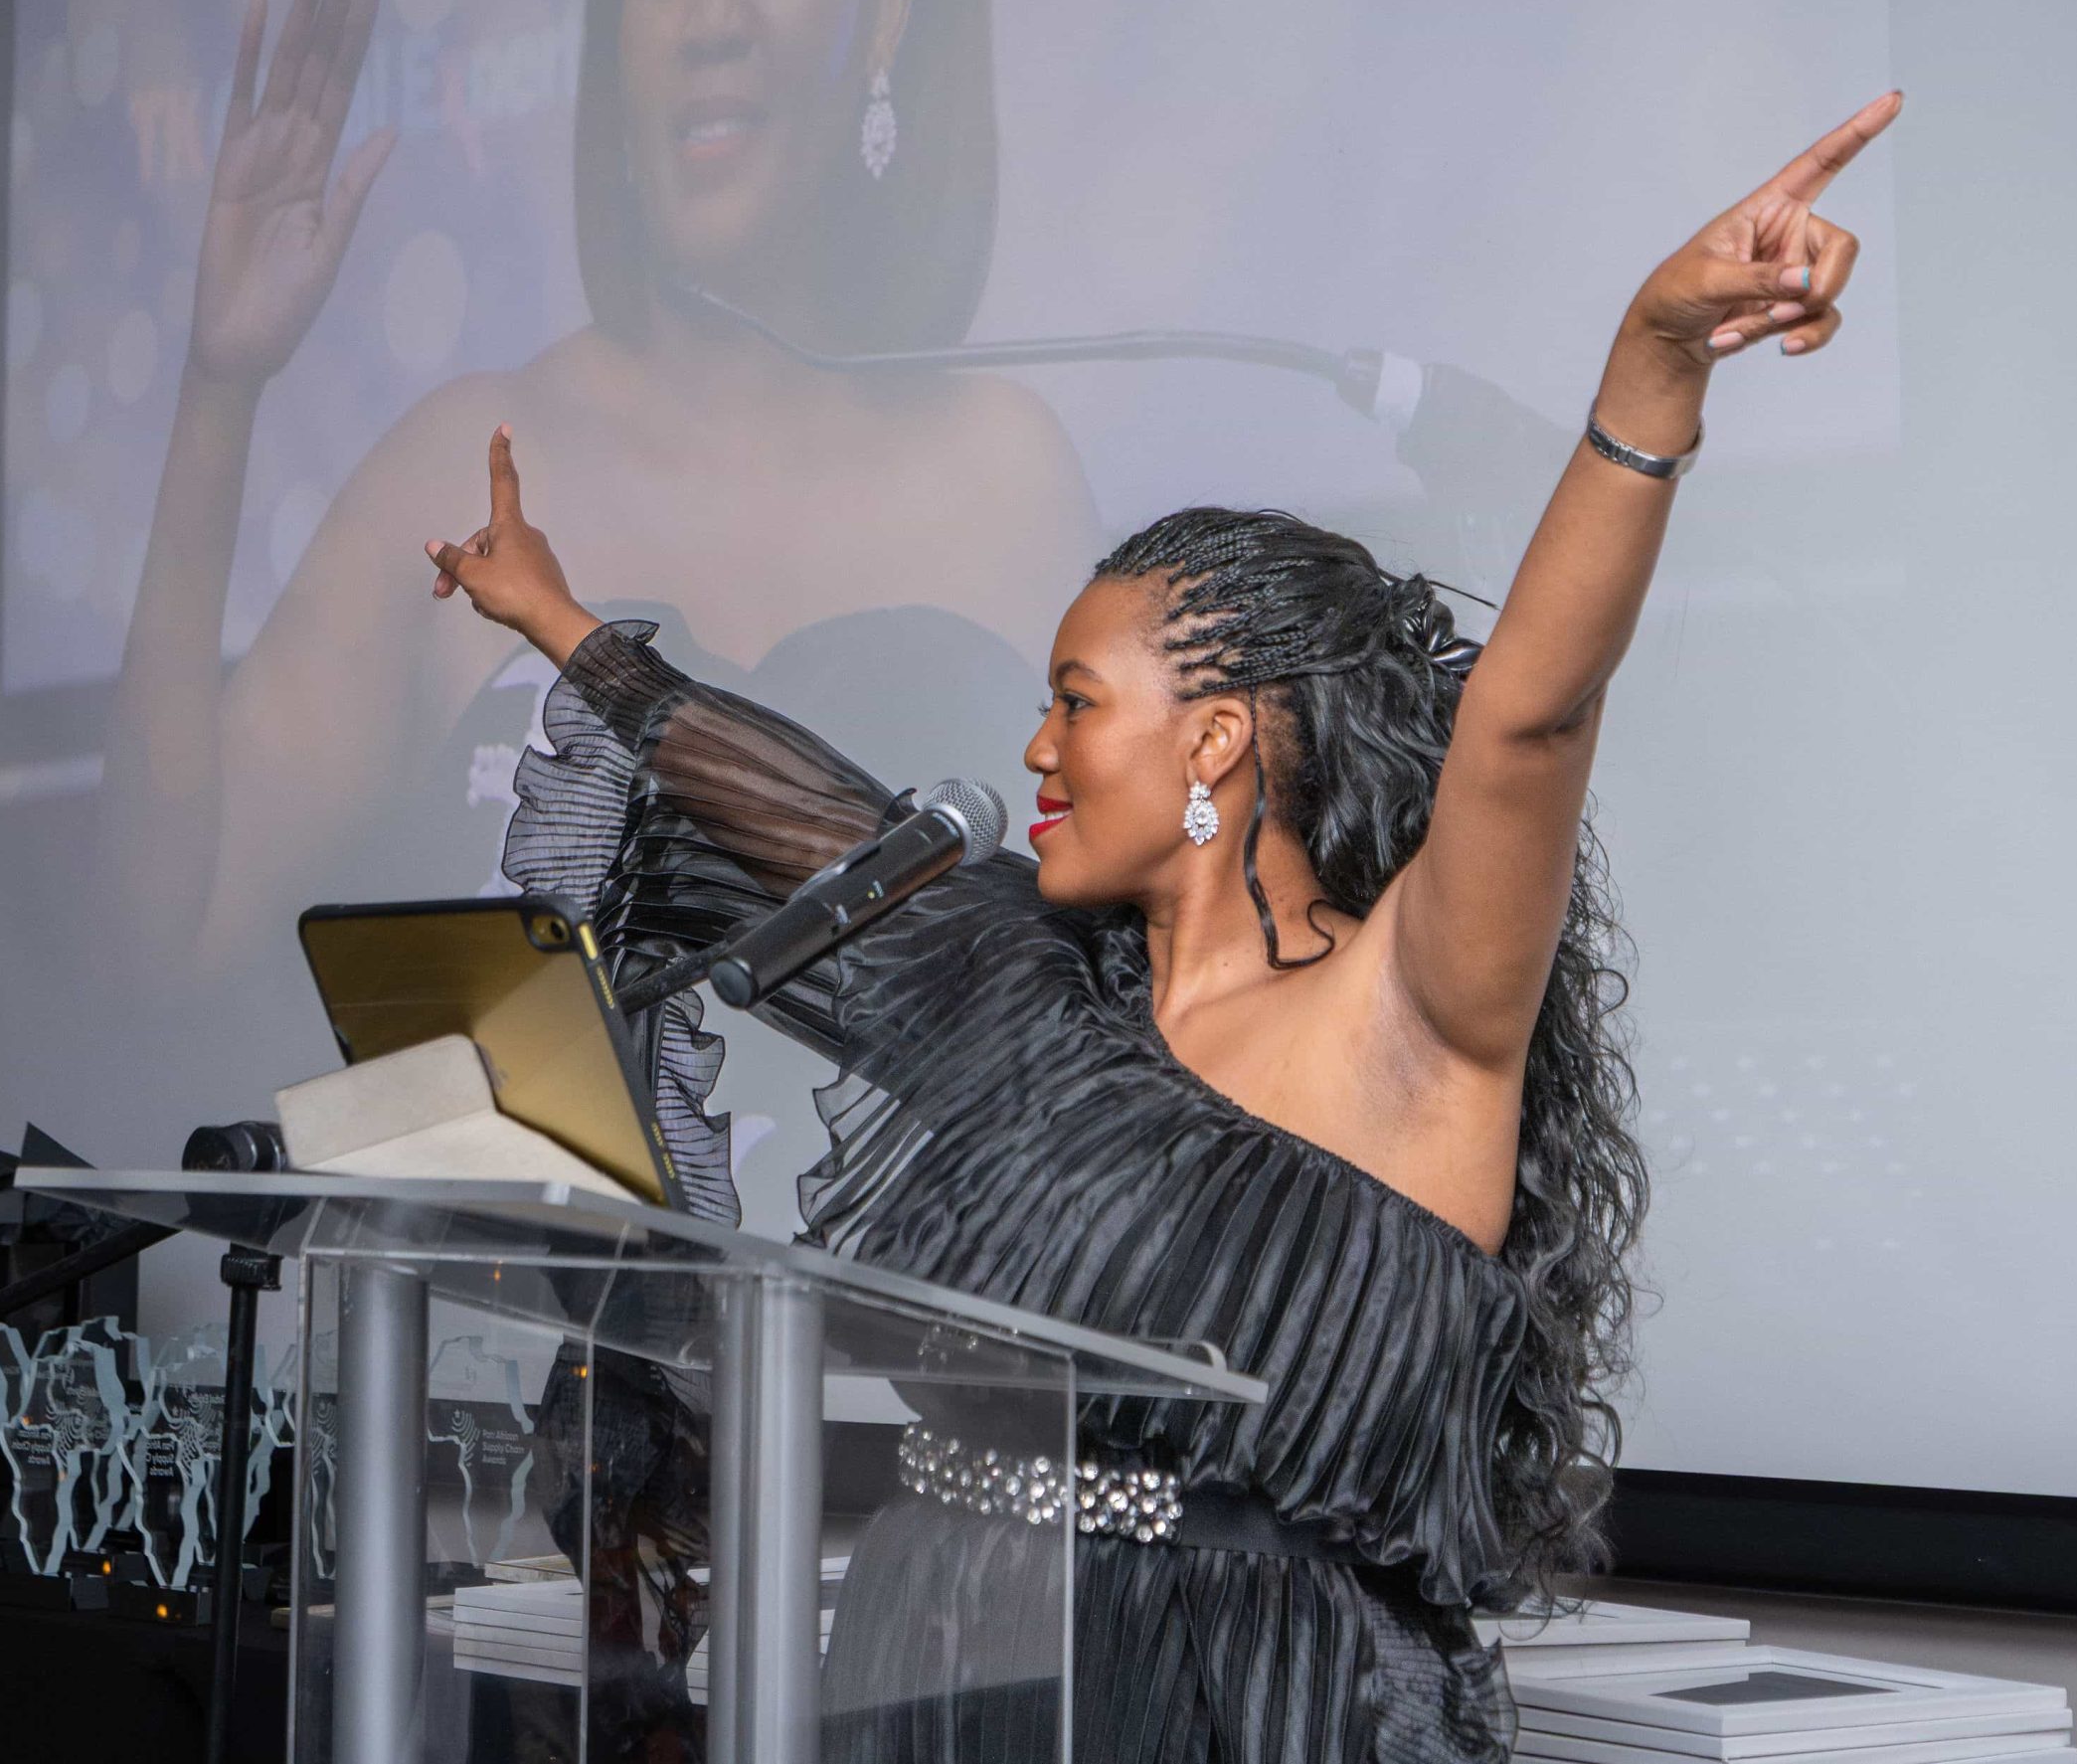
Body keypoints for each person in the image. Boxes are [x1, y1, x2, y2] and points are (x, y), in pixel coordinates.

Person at [434, 92, 1901, 1760]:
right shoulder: (1037, 992)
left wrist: (1657, 360)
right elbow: (800, 817)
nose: (1037, 748)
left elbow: (1528, 718)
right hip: (941, 1663)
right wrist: (559, 622)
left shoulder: (1408, 1008)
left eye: (1075, 701)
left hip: (1243, 1698)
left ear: (1212, 741)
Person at [94, 0, 1097, 1020]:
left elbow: (1123, 1001)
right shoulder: (465, 466)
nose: (709, 17)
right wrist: (219, 388)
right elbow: (167, 933)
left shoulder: (1006, 479)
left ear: (887, 8)